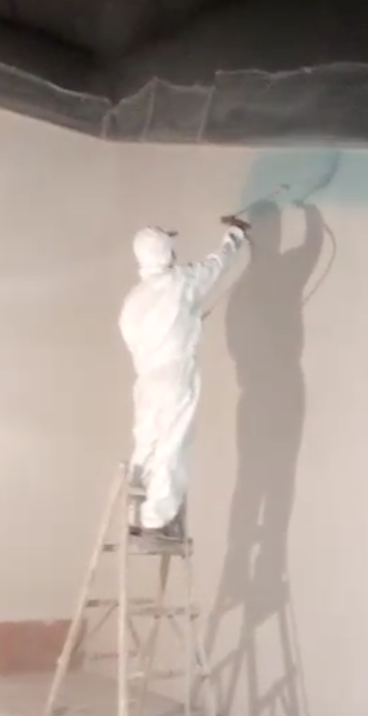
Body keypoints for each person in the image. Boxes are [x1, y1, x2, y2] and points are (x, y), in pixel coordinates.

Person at [119, 216, 250, 540]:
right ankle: (156, 520)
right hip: (174, 374)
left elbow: (142, 338)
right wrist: (234, 236)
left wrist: (186, 324)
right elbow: (215, 266)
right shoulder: (180, 281)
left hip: (146, 380)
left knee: (146, 443)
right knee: (172, 445)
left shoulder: (132, 300)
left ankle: (135, 514)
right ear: (165, 251)